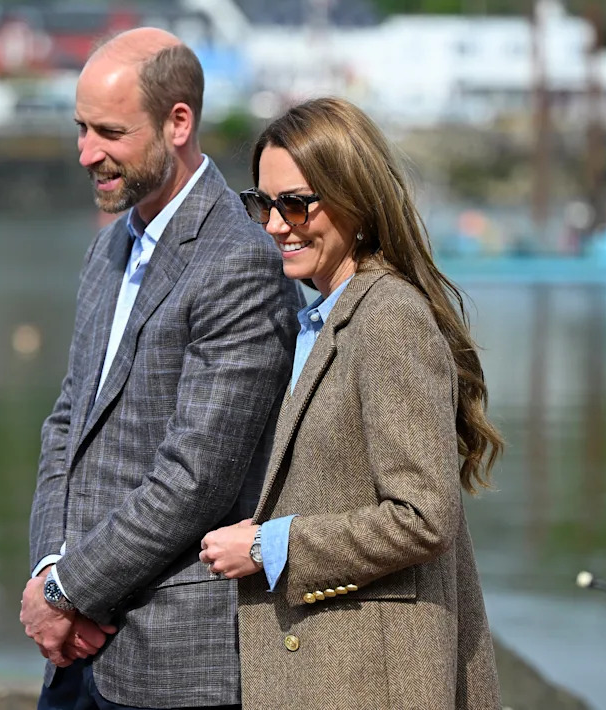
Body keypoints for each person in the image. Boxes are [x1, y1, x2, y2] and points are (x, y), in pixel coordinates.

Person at [19, 27, 301, 710]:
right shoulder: (109, 248)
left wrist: (68, 590)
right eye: (81, 128)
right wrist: (48, 570)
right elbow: (67, 425)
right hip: (75, 650)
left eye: (109, 132)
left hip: (173, 667)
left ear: (179, 122)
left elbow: (196, 476)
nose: (87, 153)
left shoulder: (240, 260)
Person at [200, 97, 504, 709]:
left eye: (296, 203)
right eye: (263, 203)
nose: (276, 225)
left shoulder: (389, 318)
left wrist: (268, 546)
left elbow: (423, 517)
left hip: (372, 681)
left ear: (355, 200)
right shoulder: (317, 317)